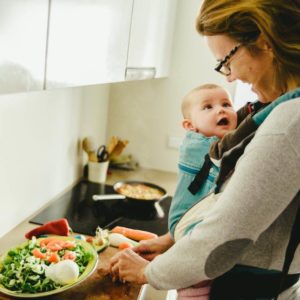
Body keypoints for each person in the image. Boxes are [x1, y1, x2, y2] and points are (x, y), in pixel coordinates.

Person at [110, 0, 300, 299]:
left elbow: (227, 236)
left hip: (247, 290)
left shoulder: (289, 122)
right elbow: (246, 206)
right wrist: (174, 240)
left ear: (264, 43)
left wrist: (149, 273)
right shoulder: (276, 110)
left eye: (226, 60)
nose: (229, 76)